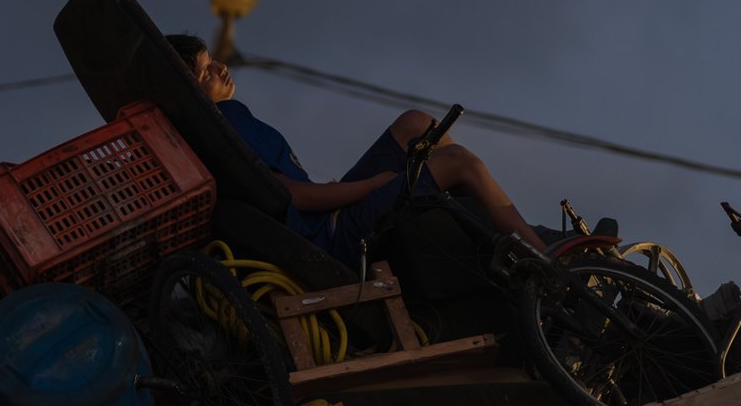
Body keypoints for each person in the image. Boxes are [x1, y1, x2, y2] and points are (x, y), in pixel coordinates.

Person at [165, 34, 549, 267]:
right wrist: (373, 186)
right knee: (458, 161)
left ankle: (511, 231)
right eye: (205, 71)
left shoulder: (220, 126)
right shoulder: (227, 118)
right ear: (190, 88)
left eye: (213, 61)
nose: (220, 68)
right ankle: (547, 262)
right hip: (331, 237)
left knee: (415, 124)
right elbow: (294, 196)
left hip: (327, 223)